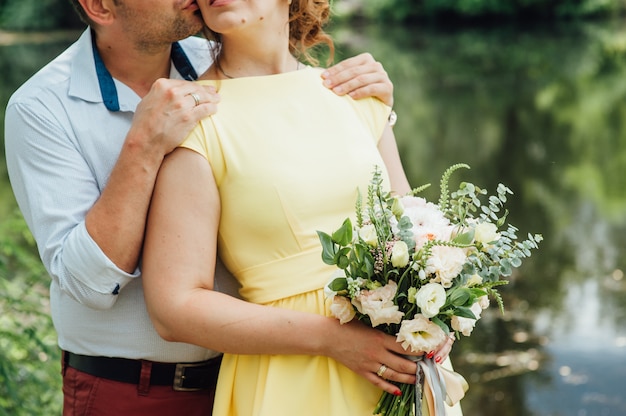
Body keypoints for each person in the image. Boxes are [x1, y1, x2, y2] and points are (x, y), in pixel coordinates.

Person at [4, 0, 411, 415]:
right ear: (101, 6)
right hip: (136, 388)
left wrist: (373, 110)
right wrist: (142, 146)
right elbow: (88, 284)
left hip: (259, 363)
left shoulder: (214, 51)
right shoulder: (41, 107)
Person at [141, 0, 460, 415]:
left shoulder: (357, 94)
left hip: (400, 369)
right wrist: (332, 339)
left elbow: (416, 232)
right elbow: (174, 309)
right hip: (291, 380)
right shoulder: (194, 118)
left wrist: (439, 312)